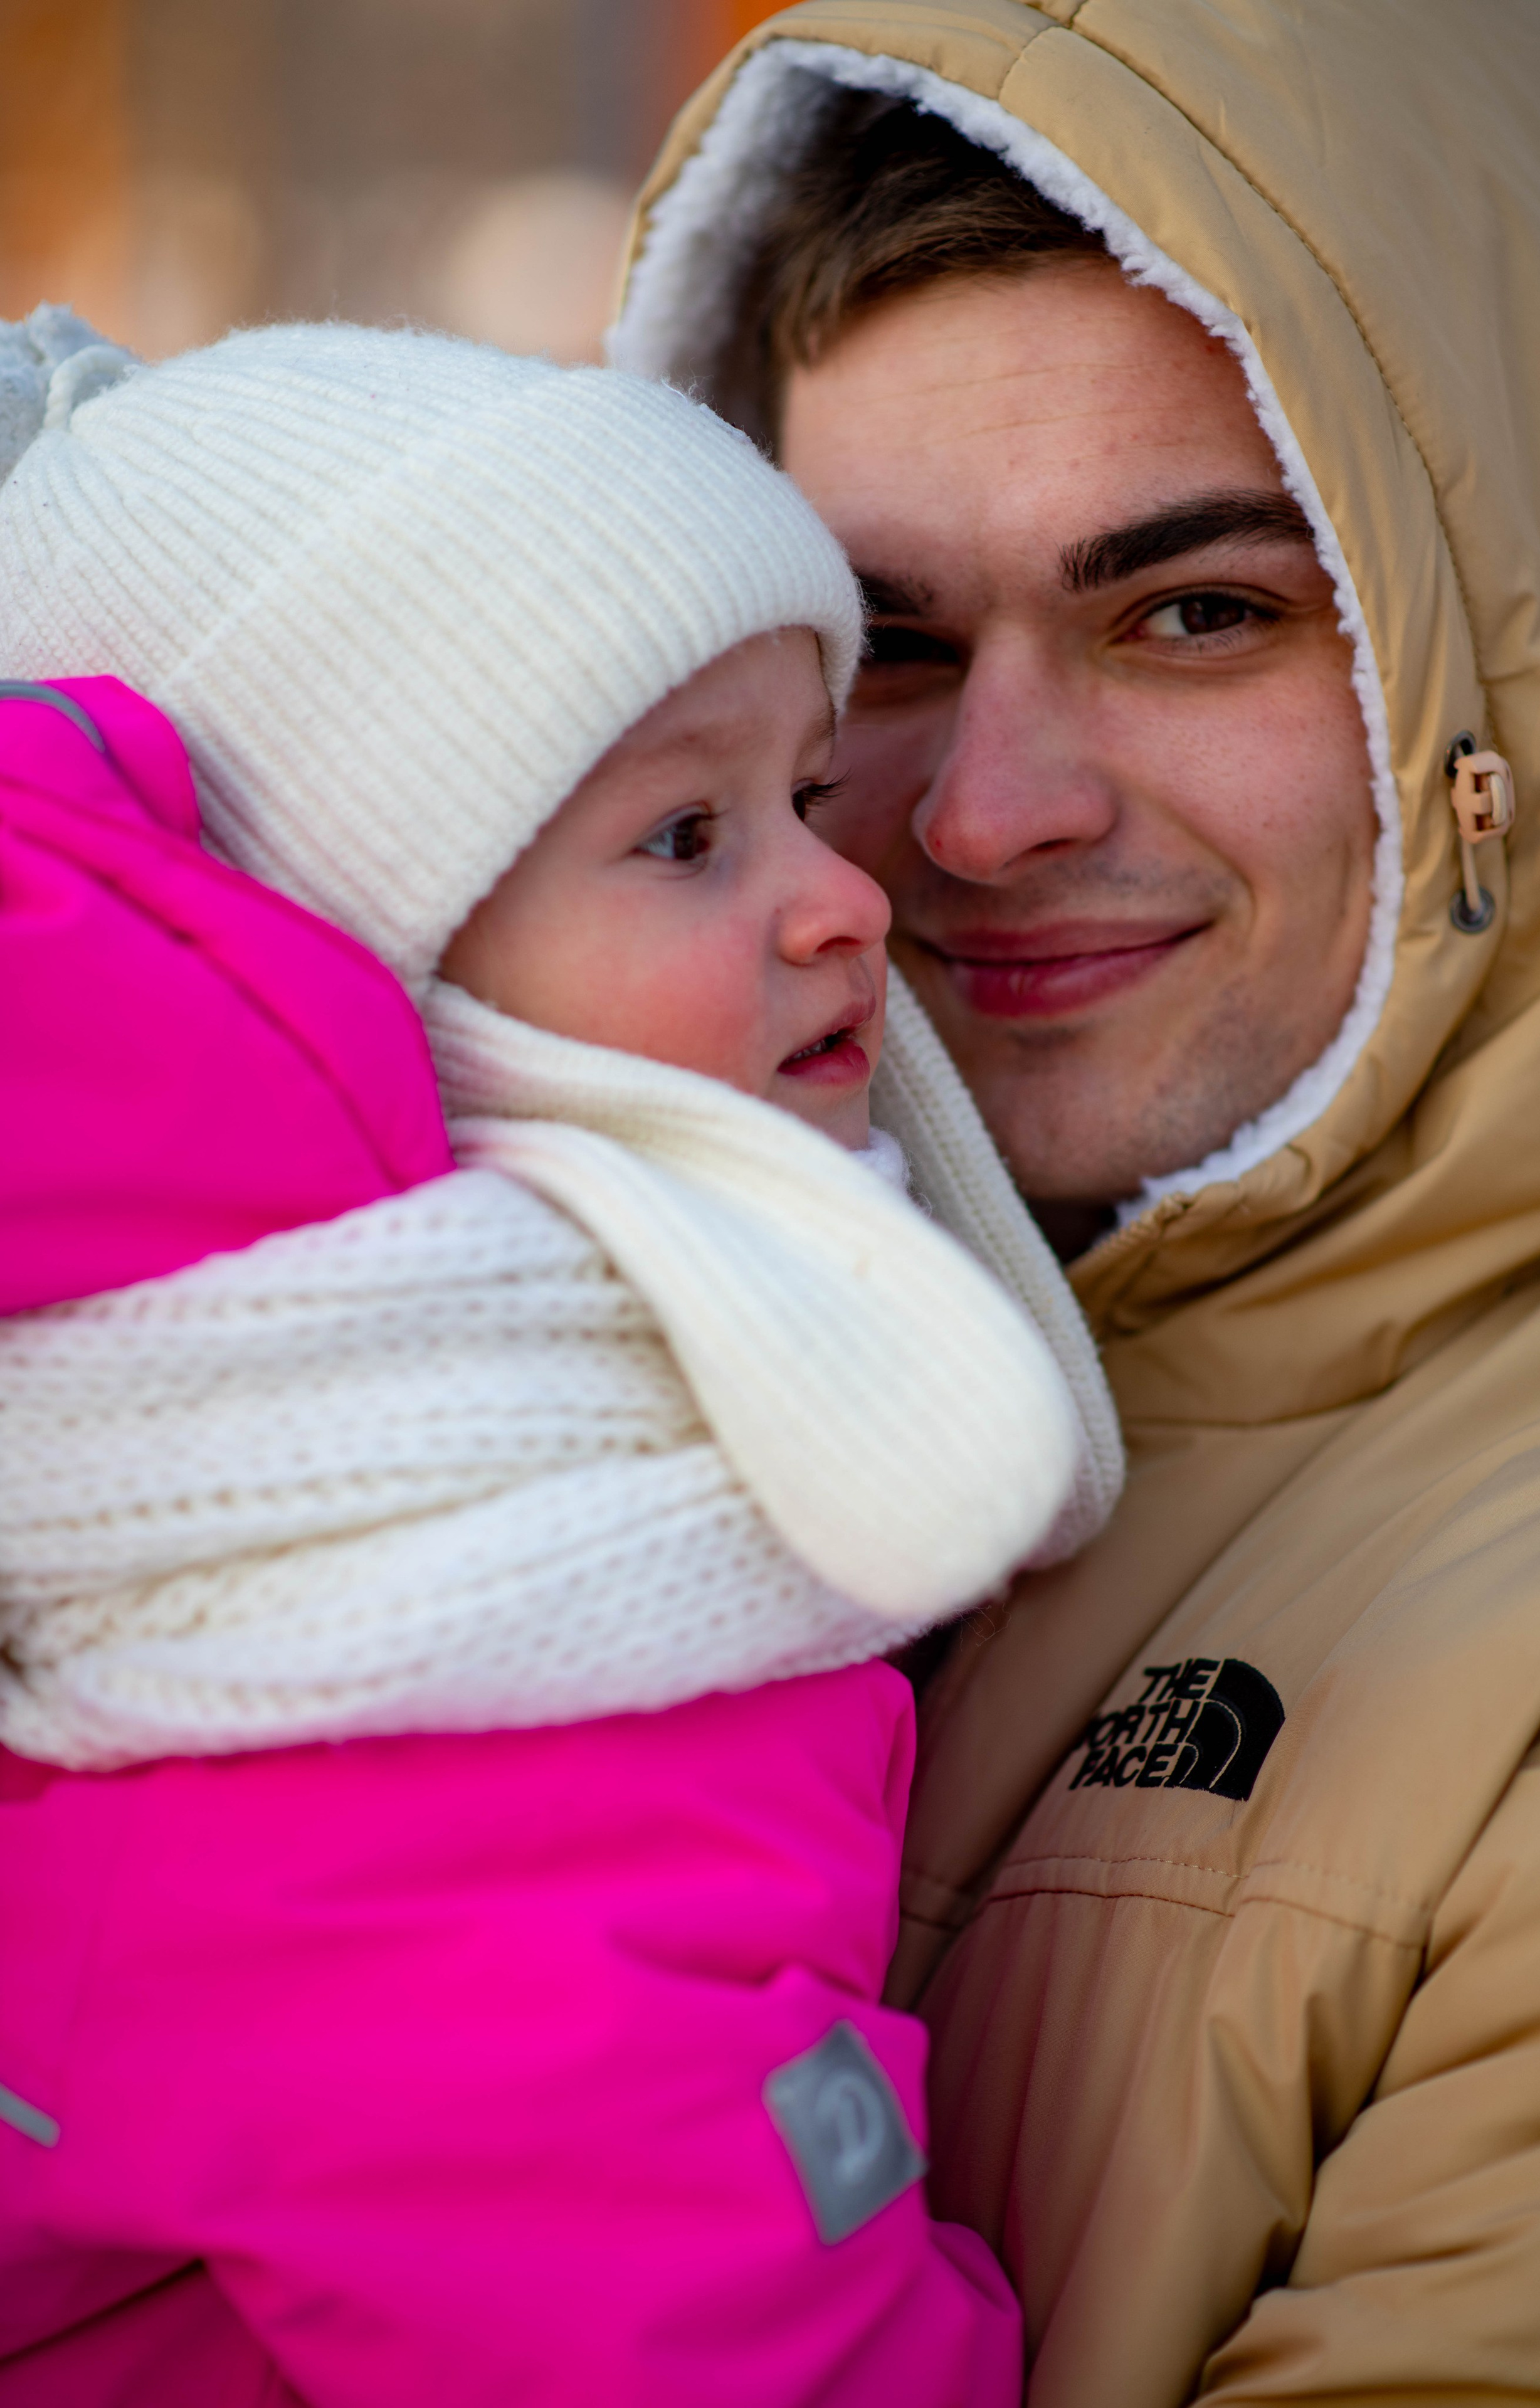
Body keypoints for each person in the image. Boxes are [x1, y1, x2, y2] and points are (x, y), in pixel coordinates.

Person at [611, 4, 1540, 2402]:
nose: (983, 816)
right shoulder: (551, 1355)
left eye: (1196, 614)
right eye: (885, 648)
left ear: (1506, 691)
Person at [0, 319, 1125, 2404]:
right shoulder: (404, 1648)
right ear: (365, 953)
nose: (847, 898)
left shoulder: (440, 1476)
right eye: (686, 836)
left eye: (806, 794)